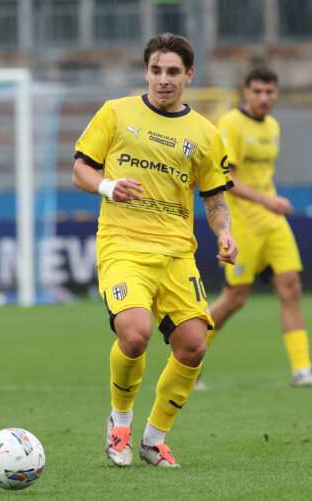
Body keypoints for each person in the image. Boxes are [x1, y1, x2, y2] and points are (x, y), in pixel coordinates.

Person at [73, 33, 237, 468]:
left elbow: (216, 198)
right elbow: (80, 171)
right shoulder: (116, 113)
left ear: (189, 76)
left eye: (172, 72)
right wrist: (109, 186)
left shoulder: (205, 133)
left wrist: (225, 233)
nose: (163, 80)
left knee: (193, 346)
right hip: (123, 244)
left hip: (177, 253)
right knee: (135, 333)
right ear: (146, 72)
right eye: (156, 71)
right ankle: (120, 423)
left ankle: (153, 439)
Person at [198, 67, 312, 389]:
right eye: (257, 91)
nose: (263, 98)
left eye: (269, 92)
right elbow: (227, 180)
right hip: (243, 224)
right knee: (235, 299)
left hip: (272, 221)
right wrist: (267, 201)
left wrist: (269, 204)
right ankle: (187, 356)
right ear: (245, 92)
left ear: (277, 94)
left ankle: (302, 371)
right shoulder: (231, 124)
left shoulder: (273, 126)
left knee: (291, 288)